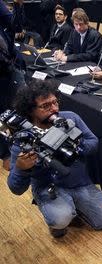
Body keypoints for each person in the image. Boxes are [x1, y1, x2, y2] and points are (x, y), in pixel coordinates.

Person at [7, 80, 102, 238]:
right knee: (59, 219)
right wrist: (21, 169)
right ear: (30, 110)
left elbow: (93, 143)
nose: (54, 108)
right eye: (46, 106)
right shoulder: (24, 139)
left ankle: (74, 206)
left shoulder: (69, 118)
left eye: (55, 102)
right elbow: (15, 189)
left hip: (79, 182)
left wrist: (76, 145)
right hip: (49, 187)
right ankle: (60, 212)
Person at [1, 0, 26, 170]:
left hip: (9, 67)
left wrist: (18, 5)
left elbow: (16, 27)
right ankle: (4, 153)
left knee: (19, 106)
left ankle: (20, 145)